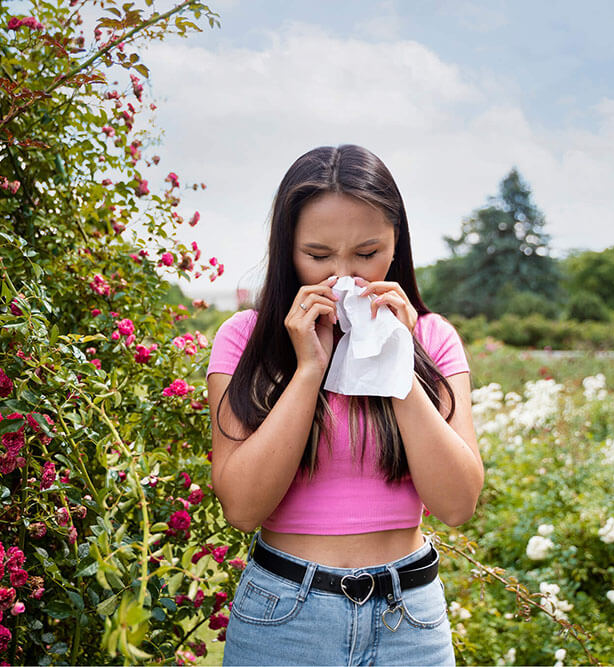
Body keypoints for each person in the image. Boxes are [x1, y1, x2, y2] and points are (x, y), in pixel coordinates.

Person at [206, 145, 483, 666]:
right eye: (318, 256)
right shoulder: (246, 339)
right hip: (285, 618)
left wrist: (397, 362)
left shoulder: (432, 338)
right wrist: (309, 369)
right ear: (287, 248)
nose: (344, 276)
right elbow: (242, 509)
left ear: (396, 244)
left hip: (409, 620)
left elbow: (457, 504)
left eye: (367, 252)